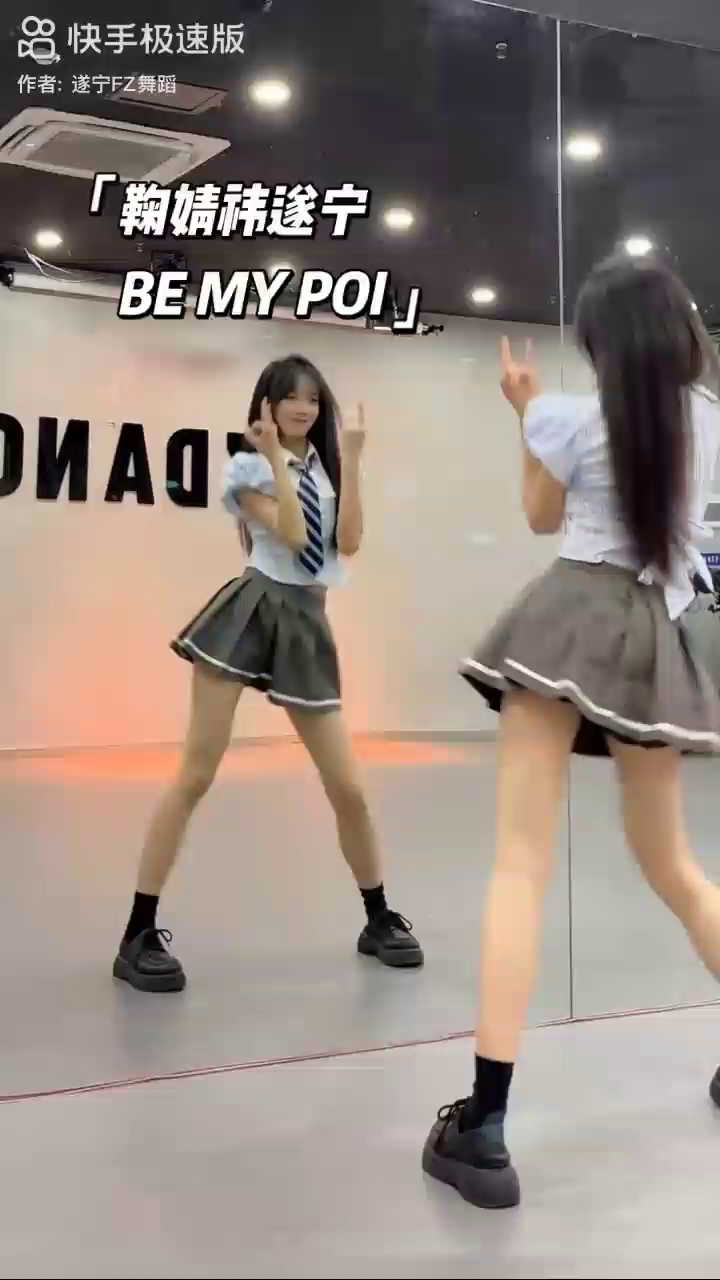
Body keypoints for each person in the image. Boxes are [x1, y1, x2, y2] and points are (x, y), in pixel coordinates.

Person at [422, 255, 720, 1209]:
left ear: (600, 344)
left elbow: (538, 516)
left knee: (520, 862)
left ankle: (485, 1125)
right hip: (654, 631)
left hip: (569, 614)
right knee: (675, 864)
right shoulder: (710, 420)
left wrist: (526, 415)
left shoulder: (570, 417)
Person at [113, 354, 423, 992]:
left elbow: (348, 543)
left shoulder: (329, 466)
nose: (303, 408)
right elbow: (291, 531)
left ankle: (377, 917)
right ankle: (137, 933)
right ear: (268, 405)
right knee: (196, 774)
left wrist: (352, 460)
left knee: (349, 788)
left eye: (313, 398)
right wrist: (278, 458)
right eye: (291, 398)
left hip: (306, 621)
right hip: (252, 609)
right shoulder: (247, 467)